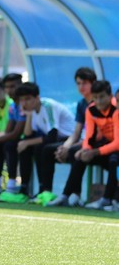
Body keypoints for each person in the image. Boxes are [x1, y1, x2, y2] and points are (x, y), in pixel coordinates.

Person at [47, 80, 119, 210]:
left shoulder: (116, 109)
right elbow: (89, 136)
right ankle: (67, 195)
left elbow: (117, 143)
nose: (98, 101)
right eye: (95, 97)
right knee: (78, 155)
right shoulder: (91, 110)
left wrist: (95, 152)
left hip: (115, 149)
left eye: (102, 97)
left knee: (113, 160)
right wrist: (86, 150)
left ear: (110, 96)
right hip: (107, 147)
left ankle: (108, 200)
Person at [34, 67, 96, 198]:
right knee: (47, 150)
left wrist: (71, 147)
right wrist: (65, 147)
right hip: (81, 141)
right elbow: (76, 132)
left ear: (93, 83)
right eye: (78, 83)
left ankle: (72, 195)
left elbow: (95, 135)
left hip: (94, 143)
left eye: (84, 83)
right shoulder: (81, 104)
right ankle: (46, 192)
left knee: (74, 151)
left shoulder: (99, 103)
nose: (81, 87)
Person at [14, 82, 75, 200]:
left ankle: (45, 190)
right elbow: (28, 135)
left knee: (42, 148)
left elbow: (52, 137)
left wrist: (27, 142)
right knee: (24, 147)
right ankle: (23, 189)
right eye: (22, 100)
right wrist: (28, 116)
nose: (24, 103)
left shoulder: (48, 106)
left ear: (37, 98)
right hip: (57, 140)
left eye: (28, 99)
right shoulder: (32, 110)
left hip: (71, 140)